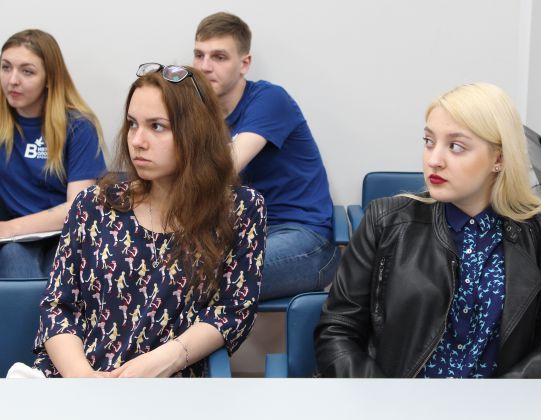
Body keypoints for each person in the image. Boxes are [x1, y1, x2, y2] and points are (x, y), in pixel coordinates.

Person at [315, 83, 541, 378]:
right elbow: (337, 331)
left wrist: (509, 393)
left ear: (499, 159)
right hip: (400, 398)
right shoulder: (385, 222)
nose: (434, 160)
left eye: (456, 146)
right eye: (429, 141)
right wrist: (386, 396)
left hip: (500, 401)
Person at [32, 63, 266, 377]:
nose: (137, 140)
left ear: (195, 132)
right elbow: (57, 306)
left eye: (157, 126)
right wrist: (84, 379)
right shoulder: (94, 204)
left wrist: (165, 360)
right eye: (132, 124)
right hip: (74, 379)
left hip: (167, 385)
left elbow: (233, 310)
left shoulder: (239, 210)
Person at [192, 12, 339, 301]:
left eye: (219, 57)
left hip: (304, 240)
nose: (205, 67)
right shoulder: (200, 113)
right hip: (241, 235)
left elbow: (224, 168)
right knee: (157, 266)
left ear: (244, 63)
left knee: (196, 279)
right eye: (199, 55)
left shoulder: (269, 99)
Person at [0, 29, 106, 278]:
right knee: (14, 257)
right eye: (6, 67)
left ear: (49, 78)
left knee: (60, 268)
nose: (12, 80)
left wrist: (9, 228)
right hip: (14, 241)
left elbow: (77, 208)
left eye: (27, 71)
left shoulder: (79, 127)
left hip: (64, 234)